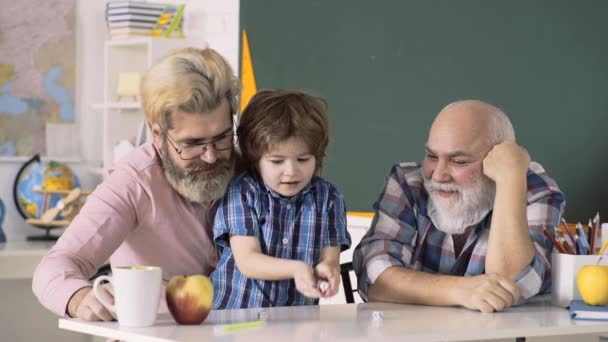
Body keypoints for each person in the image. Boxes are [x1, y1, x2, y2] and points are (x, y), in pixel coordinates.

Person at [32, 47, 240, 321]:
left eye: (222, 137)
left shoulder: (257, 165)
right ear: (157, 134)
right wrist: (79, 298)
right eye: (192, 144)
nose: (211, 156)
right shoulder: (133, 182)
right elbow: (55, 266)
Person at [353, 100, 565, 313]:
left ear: (497, 159)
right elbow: (375, 278)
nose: (438, 175)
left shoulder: (533, 188)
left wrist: (510, 179)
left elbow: (509, 284)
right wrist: (461, 291)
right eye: (432, 156)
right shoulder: (408, 182)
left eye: (459, 161)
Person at [211, 89, 352, 309]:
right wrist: (296, 268)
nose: (291, 171)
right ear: (255, 159)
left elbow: (329, 258)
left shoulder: (329, 199)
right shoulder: (243, 192)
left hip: (294, 322)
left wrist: (328, 269)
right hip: (234, 318)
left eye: (303, 159)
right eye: (277, 161)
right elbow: (248, 261)